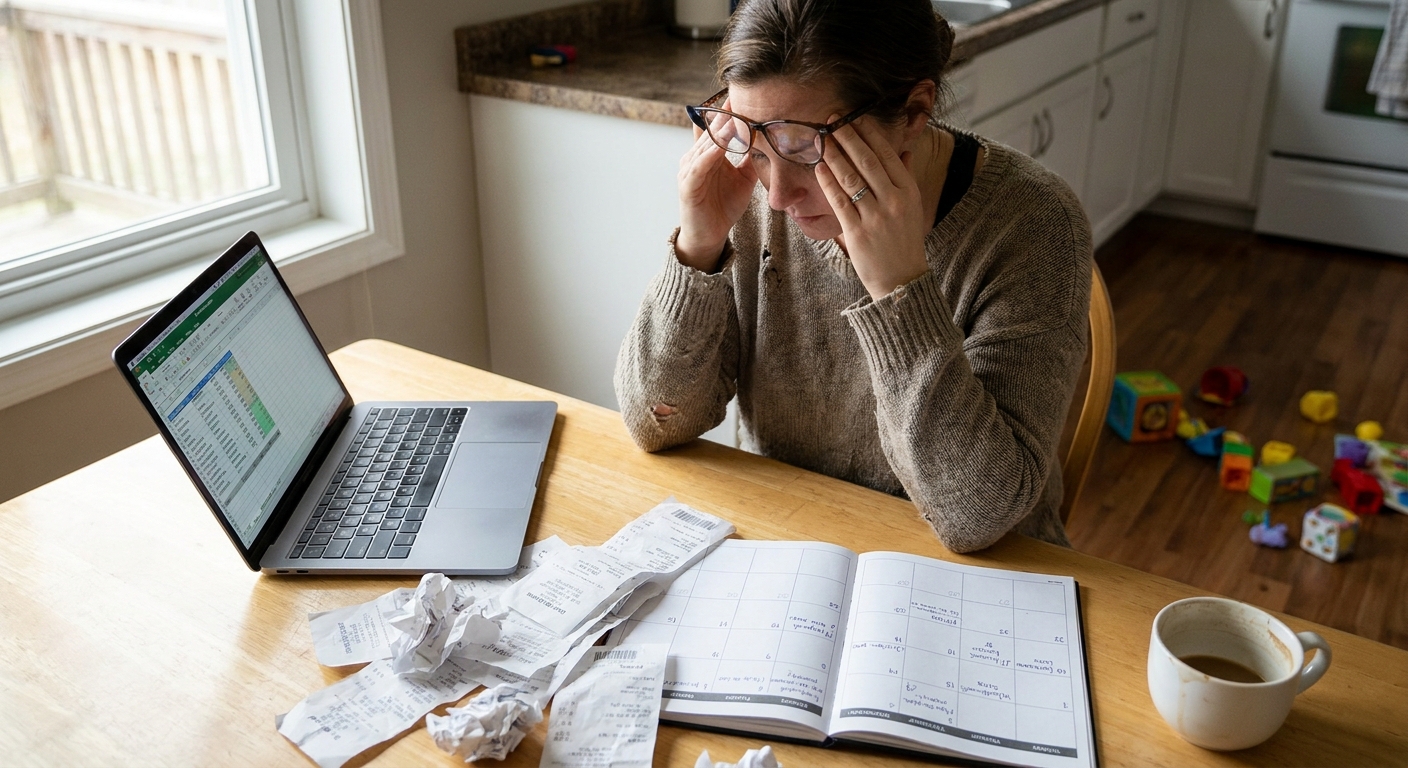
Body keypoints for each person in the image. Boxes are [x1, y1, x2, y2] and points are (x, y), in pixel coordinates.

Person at [614, 0, 1092, 553]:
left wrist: (899, 288)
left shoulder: (1035, 222)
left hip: (988, 577)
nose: (778, 194)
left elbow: (979, 515)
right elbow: (658, 422)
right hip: (793, 544)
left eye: (804, 147)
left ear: (915, 112)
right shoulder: (742, 188)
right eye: (752, 141)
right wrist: (698, 248)